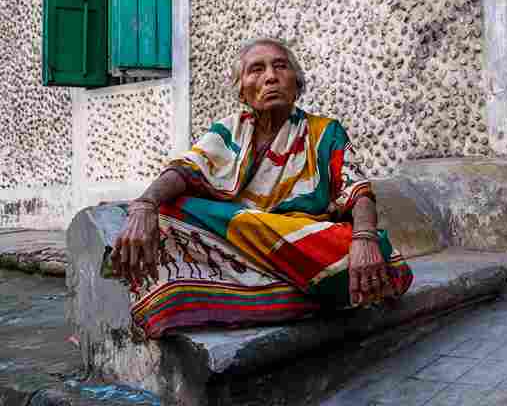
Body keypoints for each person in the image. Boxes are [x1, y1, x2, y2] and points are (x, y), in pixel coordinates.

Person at [109, 38, 412, 338]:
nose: (270, 76)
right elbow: (186, 170)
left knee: (379, 255)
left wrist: (364, 238)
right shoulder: (229, 130)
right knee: (169, 209)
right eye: (257, 69)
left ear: (297, 83)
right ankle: (304, 294)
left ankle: (250, 292)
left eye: (280, 66)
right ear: (241, 89)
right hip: (244, 241)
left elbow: (356, 190)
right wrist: (145, 204)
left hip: (301, 241)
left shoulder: (324, 131)